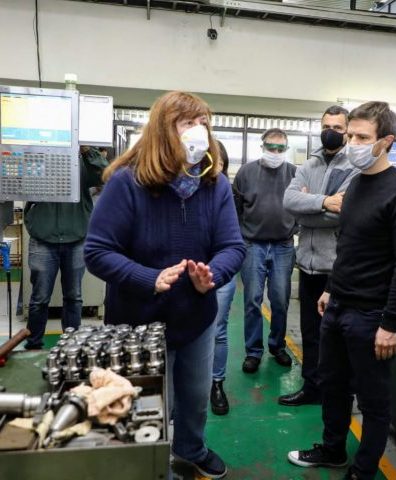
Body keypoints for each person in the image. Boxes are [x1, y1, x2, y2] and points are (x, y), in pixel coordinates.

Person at [84, 91, 245, 479]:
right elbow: (98, 251)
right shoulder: (127, 183)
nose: (198, 131)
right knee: (149, 403)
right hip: (139, 322)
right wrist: (149, 278)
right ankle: (152, 464)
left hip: (196, 317)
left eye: (203, 123)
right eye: (187, 123)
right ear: (162, 130)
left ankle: (191, 448)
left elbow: (232, 246)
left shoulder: (215, 184)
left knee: (194, 397)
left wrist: (212, 276)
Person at [288, 102, 396, 480]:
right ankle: (333, 449)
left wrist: (390, 323)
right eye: (350, 136)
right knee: (332, 385)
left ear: (386, 142)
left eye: (362, 138)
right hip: (338, 306)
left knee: (373, 398)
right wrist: (331, 289)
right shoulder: (356, 184)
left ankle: (363, 471)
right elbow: (346, 245)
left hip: (372, 315)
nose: (352, 144)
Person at [279, 105, 357, 407]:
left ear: (347, 131)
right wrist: (324, 202)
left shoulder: (353, 167)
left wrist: (307, 208)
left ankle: (334, 394)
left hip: (335, 269)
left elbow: (342, 214)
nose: (331, 132)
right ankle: (311, 388)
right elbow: (289, 200)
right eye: (327, 126)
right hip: (307, 267)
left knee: (335, 337)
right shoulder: (309, 164)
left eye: (338, 127)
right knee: (310, 333)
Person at [24, 146, 108, 349]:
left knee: (74, 297)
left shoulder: (83, 163)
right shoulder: (37, 158)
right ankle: (33, 345)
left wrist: (88, 152)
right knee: (39, 299)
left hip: (76, 238)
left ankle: (71, 346)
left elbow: (105, 174)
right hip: (43, 237)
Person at [233, 128, 297, 374]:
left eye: (281, 148)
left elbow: (302, 205)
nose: (275, 152)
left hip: (283, 245)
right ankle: (253, 351)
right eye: (271, 147)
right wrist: (241, 236)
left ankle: (277, 346)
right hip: (253, 245)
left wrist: (293, 228)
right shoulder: (246, 172)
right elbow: (236, 208)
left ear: (286, 149)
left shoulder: (294, 173)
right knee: (252, 300)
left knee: (280, 300)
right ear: (262, 147)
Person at [210, 140, 237, 416]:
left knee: (218, 329)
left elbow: (233, 242)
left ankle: (216, 383)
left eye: (220, 163)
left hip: (221, 273)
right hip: (187, 271)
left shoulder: (226, 192)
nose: (215, 168)